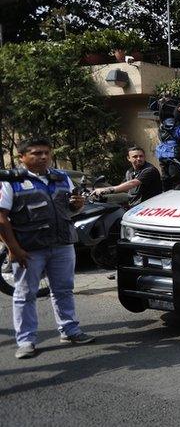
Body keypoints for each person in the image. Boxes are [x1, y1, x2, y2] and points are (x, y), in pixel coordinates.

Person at [0, 138, 95, 359]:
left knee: (63, 290)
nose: (43, 157)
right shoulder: (10, 181)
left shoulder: (61, 177)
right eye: (36, 153)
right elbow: (1, 218)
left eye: (46, 153)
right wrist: (13, 249)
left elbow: (70, 209)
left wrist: (77, 205)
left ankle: (70, 330)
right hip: (29, 249)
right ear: (22, 157)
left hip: (62, 245)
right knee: (24, 295)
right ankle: (26, 341)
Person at [93, 146, 162, 206]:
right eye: (135, 156)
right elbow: (123, 186)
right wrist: (102, 191)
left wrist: (106, 190)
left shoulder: (149, 170)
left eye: (141, 156)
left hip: (149, 205)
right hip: (135, 204)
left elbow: (132, 183)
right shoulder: (130, 171)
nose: (138, 158)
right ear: (128, 158)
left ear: (144, 157)